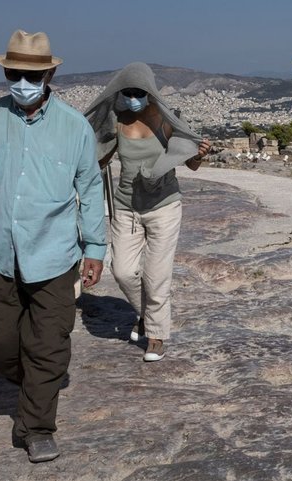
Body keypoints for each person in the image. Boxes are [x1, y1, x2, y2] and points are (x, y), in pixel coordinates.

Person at [0, 30, 106, 463]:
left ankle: (37, 427)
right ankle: (37, 386)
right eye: (15, 73)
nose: (22, 82)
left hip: (54, 255)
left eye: (31, 74)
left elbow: (90, 190)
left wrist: (95, 247)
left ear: (51, 73)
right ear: (5, 72)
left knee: (49, 343)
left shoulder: (73, 126)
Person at [84, 62, 210, 362]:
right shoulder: (117, 120)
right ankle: (145, 316)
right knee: (123, 271)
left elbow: (189, 162)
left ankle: (156, 336)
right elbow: (102, 157)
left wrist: (200, 154)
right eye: (127, 92)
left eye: (138, 92)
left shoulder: (167, 120)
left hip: (164, 206)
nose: (132, 97)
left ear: (150, 92)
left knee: (156, 275)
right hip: (126, 207)